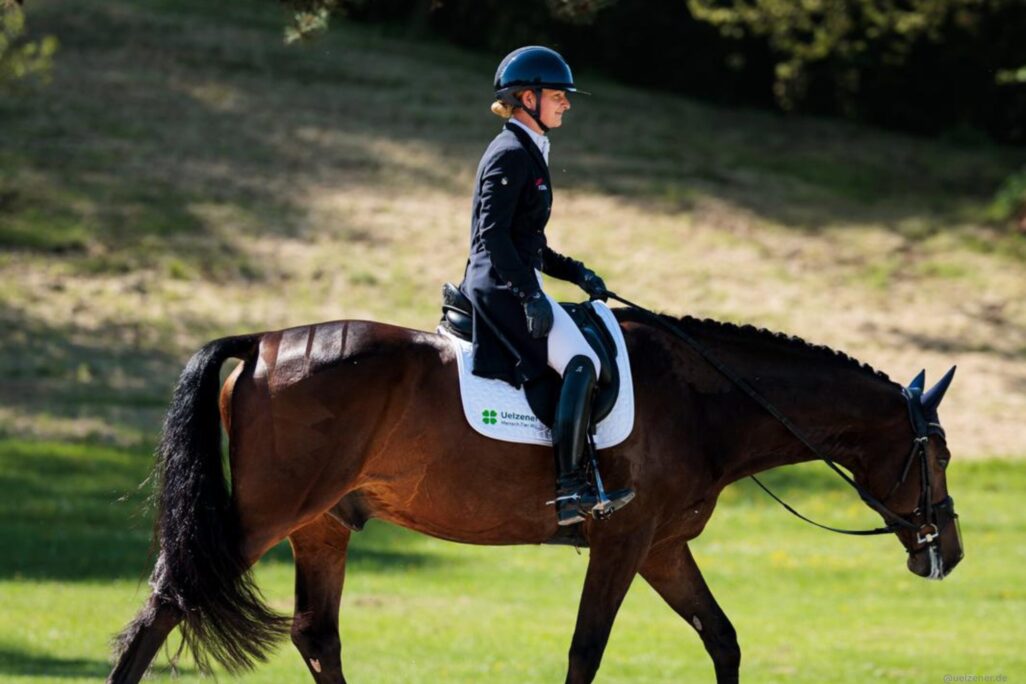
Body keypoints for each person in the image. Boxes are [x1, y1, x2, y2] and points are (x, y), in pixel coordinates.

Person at [458, 46, 634, 526]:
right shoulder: (511, 153)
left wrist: (576, 272)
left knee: (586, 357)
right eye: (558, 95)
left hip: (516, 279)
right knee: (583, 362)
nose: (567, 104)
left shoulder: (530, 151)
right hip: (498, 288)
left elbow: (527, 241)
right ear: (527, 98)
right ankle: (571, 489)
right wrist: (529, 294)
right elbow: (491, 237)